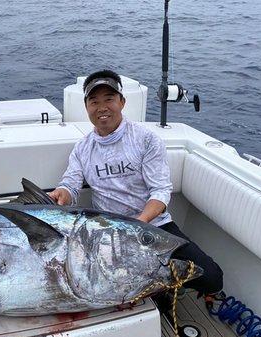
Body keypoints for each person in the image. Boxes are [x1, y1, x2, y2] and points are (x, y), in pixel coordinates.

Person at [48, 69, 223, 297]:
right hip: (107, 232)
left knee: (211, 277)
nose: (102, 107)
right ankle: (153, 288)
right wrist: (62, 192)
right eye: (94, 101)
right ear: (87, 107)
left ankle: (157, 286)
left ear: (122, 102)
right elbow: (71, 184)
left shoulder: (146, 139)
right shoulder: (83, 147)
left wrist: (140, 223)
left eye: (109, 99)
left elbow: (160, 192)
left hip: (153, 227)